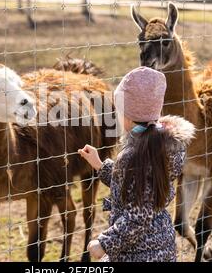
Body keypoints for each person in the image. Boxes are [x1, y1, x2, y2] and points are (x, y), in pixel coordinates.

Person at [78, 67, 195, 262]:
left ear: (129, 113)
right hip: (162, 244)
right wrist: (100, 165)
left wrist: (104, 243)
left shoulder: (135, 156)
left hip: (137, 253)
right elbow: (138, 186)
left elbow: (138, 217)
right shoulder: (164, 145)